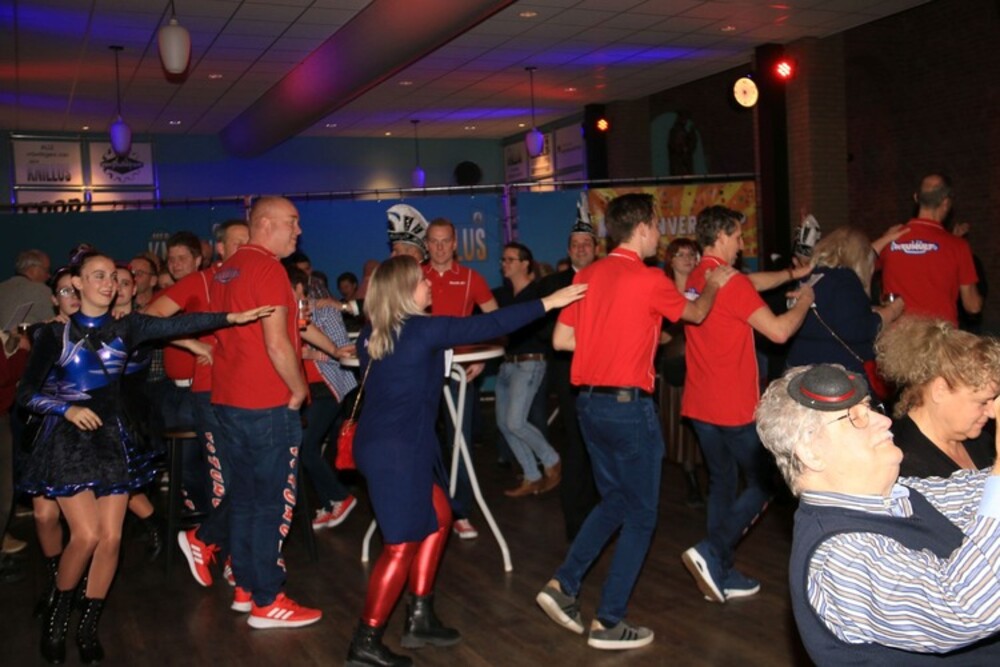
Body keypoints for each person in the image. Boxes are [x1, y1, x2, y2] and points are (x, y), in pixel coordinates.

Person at [16, 251, 270, 664]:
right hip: (67, 443)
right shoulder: (53, 335)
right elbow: (26, 393)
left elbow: (178, 324)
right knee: (86, 536)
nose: (108, 284)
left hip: (112, 441)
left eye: (112, 277)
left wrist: (232, 318)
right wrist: (66, 409)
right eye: (97, 276)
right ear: (77, 284)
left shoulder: (128, 326)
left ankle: (88, 627)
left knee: (112, 539)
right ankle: (57, 619)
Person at [346, 255, 585, 666]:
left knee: (439, 515)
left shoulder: (375, 333)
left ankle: (420, 617)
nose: (429, 285)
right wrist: (550, 302)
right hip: (397, 453)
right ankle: (365, 642)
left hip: (392, 446)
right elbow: (491, 324)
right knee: (400, 546)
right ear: (404, 291)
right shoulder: (422, 329)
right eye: (421, 281)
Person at [536, 193, 734, 651]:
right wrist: (713, 284)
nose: (659, 235)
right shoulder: (648, 279)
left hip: (589, 405)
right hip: (628, 408)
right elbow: (696, 313)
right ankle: (608, 621)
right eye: (657, 227)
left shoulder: (588, 274)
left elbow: (563, 340)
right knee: (642, 515)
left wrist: (610, 336)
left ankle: (564, 585)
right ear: (642, 228)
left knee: (615, 502)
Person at [756, 363, 1000, 665]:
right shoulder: (837, 556)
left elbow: (978, 493)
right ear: (811, 453)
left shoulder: (898, 496)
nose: (884, 420)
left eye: (870, 408)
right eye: (856, 417)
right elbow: (963, 609)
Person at [680, 205, 814, 604]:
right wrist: (804, 300)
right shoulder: (731, 282)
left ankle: (717, 571)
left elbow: (750, 282)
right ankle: (712, 550)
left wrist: (792, 273)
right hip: (733, 406)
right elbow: (779, 332)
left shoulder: (697, 277)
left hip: (700, 403)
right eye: (738, 236)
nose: (742, 244)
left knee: (722, 482)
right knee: (767, 482)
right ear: (722, 236)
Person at [209, 196, 321, 629]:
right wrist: (299, 389)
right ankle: (268, 599)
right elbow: (277, 343)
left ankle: (245, 588)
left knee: (244, 499)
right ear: (266, 223)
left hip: (229, 399)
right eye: (293, 222)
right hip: (266, 403)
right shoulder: (268, 269)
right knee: (270, 504)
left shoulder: (226, 269)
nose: (299, 231)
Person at [423, 217, 498, 540]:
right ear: (427, 244)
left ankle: (461, 511)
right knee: (419, 439)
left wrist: (482, 355)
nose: (440, 247)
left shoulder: (471, 278)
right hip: (421, 368)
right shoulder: (415, 277)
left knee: (460, 441)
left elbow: (496, 318)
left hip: (459, 370)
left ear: (454, 244)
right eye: (434, 241)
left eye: (445, 241)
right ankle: (427, 507)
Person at [538, 211, 600, 540]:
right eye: (575, 244)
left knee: (600, 444)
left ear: (595, 248)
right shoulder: (553, 285)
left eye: (586, 243)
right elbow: (541, 327)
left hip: (605, 375)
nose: (580, 248)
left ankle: (601, 514)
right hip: (569, 375)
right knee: (577, 443)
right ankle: (577, 522)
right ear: (568, 249)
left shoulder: (608, 278)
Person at [876, 316, 1000, 477]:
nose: (992, 412)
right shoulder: (901, 461)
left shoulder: (980, 441)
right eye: (982, 402)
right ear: (940, 390)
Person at [786, 227, 904, 374]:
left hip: (800, 364)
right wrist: (892, 311)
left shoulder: (814, 276)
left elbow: (834, 315)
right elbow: (857, 329)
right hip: (834, 372)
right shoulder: (845, 279)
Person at [494, 242, 561, 497]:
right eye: (503, 260)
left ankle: (551, 459)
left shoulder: (537, 294)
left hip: (530, 363)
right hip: (507, 364)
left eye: (510, 259)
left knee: (515, 421)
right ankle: (532, 475)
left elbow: (545, 330)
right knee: (504, 423)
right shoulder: (502, 295)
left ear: (525, 264)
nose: (504, 264)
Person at [879, 173, 981, 326]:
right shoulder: (958, 246)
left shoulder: (889, 239)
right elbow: (973, 306)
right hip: (938, 336)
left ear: (916, 197)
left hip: (897, 336)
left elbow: (859, 266)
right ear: (946, 203)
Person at [658, 237, 704, 506]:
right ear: (670, 260)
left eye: (691, 254)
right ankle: (691, 481)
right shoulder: (662, 291)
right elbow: (657, 334)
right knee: (681, 427)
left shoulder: (705, 288)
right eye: (681, 254)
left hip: (705, 365)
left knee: (708, 424)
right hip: (676, 367)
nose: (687, 258)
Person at [0, 249, 52, 326]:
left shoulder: (2, 288)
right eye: (46, 270)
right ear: (33, 269)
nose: (49, 276)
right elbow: (54, 323)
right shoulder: (41, 290)